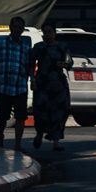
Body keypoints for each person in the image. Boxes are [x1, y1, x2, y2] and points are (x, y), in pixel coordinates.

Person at [0, 17, 32, 152]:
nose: (17, 30)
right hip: (3, 86)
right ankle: (1, 137)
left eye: (20, 28)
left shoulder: (25, 48)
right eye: (15, 27)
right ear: (10, 27)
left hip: (20, 87)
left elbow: (29, 67)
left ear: (22, 30)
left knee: (20, 117)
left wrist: (32, 79)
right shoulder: (0, 44)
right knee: (2, 117)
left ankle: (18, 144)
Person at [29, 24, 73, 152]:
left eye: (50, 32)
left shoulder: (62, 47)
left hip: (58, 84)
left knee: (60, 112)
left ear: (54, 33)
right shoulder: (39, 47)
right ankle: (39, 134)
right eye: (45, 32)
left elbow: (69, 63)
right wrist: (32, 79)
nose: (47, 34)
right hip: (42, 84)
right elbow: (31, 64)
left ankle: (56, 142)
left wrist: (63, 64)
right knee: (40, 111)